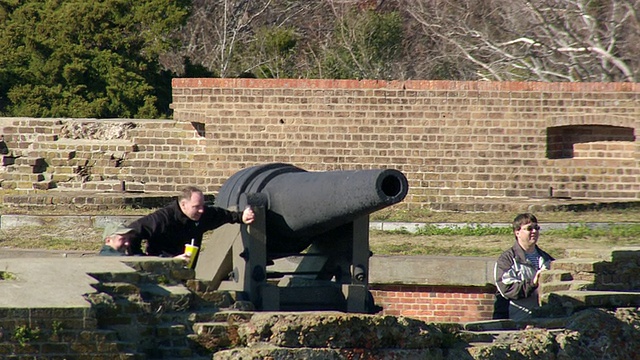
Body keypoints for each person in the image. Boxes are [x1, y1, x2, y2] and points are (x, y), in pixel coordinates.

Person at [127, 186, 255, 265]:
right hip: (162, 269)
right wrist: (143, 259)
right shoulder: (163, 218)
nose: (201, 210)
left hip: (187, 271)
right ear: (183, 205)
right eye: (196, 207)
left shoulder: (202, 214)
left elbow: (222, 215)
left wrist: (241, 217)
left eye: (202, 206)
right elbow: (132, 232)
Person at [493, 213, 554, 321]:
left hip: (542, 320)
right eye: (529, 228)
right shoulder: (507, 260)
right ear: (517, 233)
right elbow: (507, 290)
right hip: (516, 322)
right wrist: (533, 283)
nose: (534, 231)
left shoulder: (547, 259)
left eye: (536, 228)